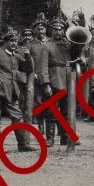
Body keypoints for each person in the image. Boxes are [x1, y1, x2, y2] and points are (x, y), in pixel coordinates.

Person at [0, 29, 38, 152]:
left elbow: (28, 69)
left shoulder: (16, 56)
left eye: (16, 41)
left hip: (11, 92)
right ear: (5, 42)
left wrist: (27, 56)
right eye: (11, 41)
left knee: (18, 117)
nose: (14, 44)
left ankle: (22, 145)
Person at [38, 18, 75, 147]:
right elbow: (43, 66)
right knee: (51, 111)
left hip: (68, 80)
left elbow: (77, 56)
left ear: (64, 31)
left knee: (66, 110)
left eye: (60, 29)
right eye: (55, 29)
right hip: (54, 80)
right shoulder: (46, 45)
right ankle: (50, 138)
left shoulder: (68, 44)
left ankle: (64, 137)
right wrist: (46, 83)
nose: (58, 32)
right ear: (51, 30)